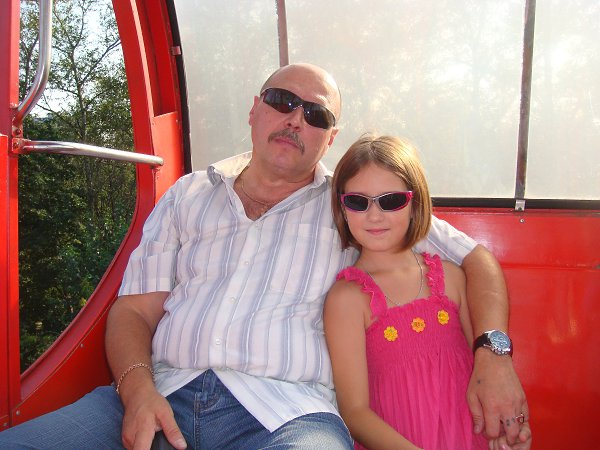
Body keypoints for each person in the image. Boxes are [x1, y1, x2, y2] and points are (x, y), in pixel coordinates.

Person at [0, 63, 528, 450]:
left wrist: (494, 355)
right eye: (282, 100)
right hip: (161, 388)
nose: (296, 118)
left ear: (330, 138)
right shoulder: (187, 194)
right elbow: (134, 311)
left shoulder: (355, 203)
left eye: (316, 114)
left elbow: (475, 259)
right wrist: (137, 391)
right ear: (255, 109)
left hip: (288, 415)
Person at [324, 135, 532, 450]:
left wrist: (504, 433)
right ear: (342, 208)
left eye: (391, 200)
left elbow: (483, 375)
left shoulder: (452, 279)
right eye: (357, 201)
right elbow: (355, 413)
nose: (374, 215)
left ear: (415, 204)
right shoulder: (346, 299)